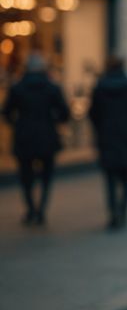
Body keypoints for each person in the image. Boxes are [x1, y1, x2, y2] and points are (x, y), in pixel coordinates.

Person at [2, 54, 70, 226]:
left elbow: (6, 112)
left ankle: (31, 208)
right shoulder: (52, 88)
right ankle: (41, 209)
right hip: (46, 135)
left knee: (26, 176)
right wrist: (53, 121)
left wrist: (17, 123)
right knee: (47, 175)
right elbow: (64, 113)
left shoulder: (17, 87)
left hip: (24, 135)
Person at [89, 55, 127, 231]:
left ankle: (113, 212)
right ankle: (123, 211)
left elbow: (93, 113)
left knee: (110, 178)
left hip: (108, 136)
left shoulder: (100, 86)